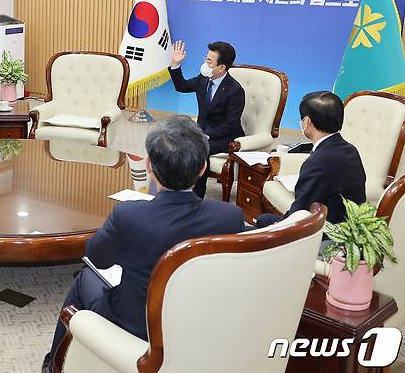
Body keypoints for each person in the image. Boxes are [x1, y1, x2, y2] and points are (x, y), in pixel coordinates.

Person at [41, 115, 245, 373]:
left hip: (137, 323)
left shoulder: (130, 215)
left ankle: (53, 365)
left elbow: (97, 256)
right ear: (203, 168)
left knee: (84, 279)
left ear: (148, 165)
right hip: (197, 318)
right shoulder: (229, 217)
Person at [256, 91, 366, 228]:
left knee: (263, 220)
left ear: (307, 121)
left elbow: (301, 211)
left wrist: (280, 224)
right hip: (349, 225)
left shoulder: (317, 162)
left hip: (325, 232)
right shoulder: (350, 150)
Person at [168, 41, 245, 198]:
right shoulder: (203, 79)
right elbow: (181, 86)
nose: (205, 63)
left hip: (224, 136)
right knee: (174, 140)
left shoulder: (235, 91)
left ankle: (195, 198)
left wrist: (205, 136)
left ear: (221, 67)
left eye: (209, 61)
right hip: (202, 131)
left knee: (199, 147)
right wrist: (175, 64)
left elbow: (231, 125)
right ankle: (175, 188)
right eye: (206, 58)